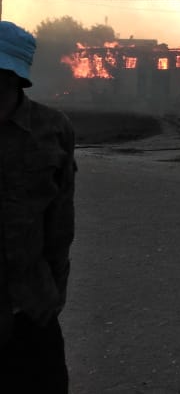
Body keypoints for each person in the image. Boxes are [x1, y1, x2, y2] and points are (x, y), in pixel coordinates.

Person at [0, 21, 76, 393]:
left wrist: (52, 295)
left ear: (16, 78)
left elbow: (60, 227)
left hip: (31, 311)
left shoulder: (53, 130)